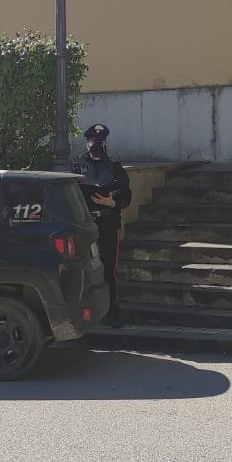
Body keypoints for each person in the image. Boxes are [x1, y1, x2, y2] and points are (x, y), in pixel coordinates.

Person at [73, 123, 132, 328]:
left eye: (100, 142)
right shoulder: (78, 168)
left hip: (108, 223)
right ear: (87, 144)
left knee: (108, 269)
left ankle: (112, 311)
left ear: (105, 144)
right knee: (83, 270)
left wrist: (112, 202)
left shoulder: (115, 168)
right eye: (92, 142)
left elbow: (126, 196)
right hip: (86, 224)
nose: (96, 146)